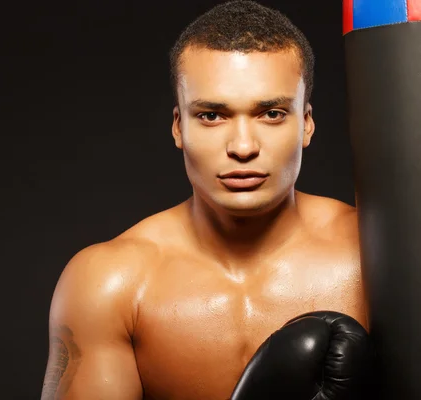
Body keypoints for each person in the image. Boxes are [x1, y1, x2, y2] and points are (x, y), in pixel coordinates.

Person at [41, 1, 373, 399]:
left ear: (306, 123)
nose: (243, 147)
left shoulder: (375, 258)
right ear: (179, 127)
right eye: (212, 116)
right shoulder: (110, 284)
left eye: (271, 113)